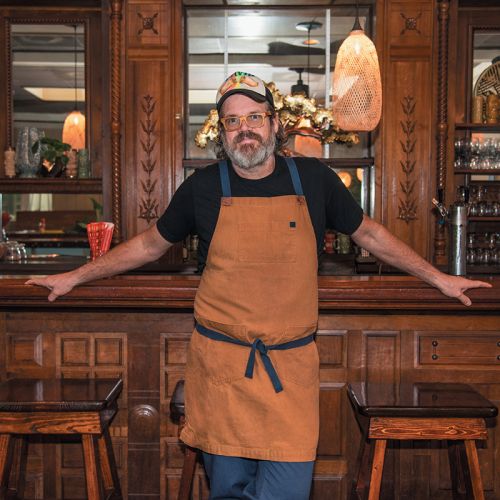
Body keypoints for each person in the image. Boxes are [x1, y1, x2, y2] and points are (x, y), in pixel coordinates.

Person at [27, 71, 491, 500]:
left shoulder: (315, 180)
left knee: (288, 490)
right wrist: (74, 276)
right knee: (228, 491)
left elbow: (369, 233)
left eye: (254, 117)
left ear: (274, 124)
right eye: (232, 121)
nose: (244, 129)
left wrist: (440, 279)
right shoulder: (202, 187)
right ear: (222, 133)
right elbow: (150, 244)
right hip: (222, 369)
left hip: (290, 370)